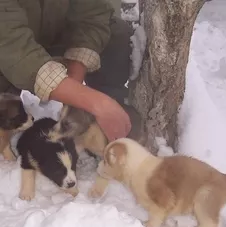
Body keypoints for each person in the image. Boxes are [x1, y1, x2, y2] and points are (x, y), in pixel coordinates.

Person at [0, 0, 140, 142]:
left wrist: (75, 83)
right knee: (6, 109)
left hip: (54, 36)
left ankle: (107, 122)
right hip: (8, 53)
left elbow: (92, 15)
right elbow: (13, 49)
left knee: (117, 34)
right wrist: (96, 102)